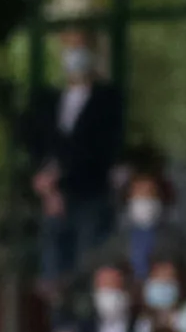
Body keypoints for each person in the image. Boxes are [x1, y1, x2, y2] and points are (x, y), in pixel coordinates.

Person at [20, 33, 124, 284]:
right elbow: (36, 142)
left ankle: (85, 318)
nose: (73, 56)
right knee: (53, 267)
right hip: (53, 197)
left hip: (90, 194)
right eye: (68, 49)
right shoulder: (47, 100)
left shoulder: (108, 100)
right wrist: (45, 182)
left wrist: (61, 173)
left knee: (88, 263)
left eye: (79, 48)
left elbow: (102, 148)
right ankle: (59, 320)